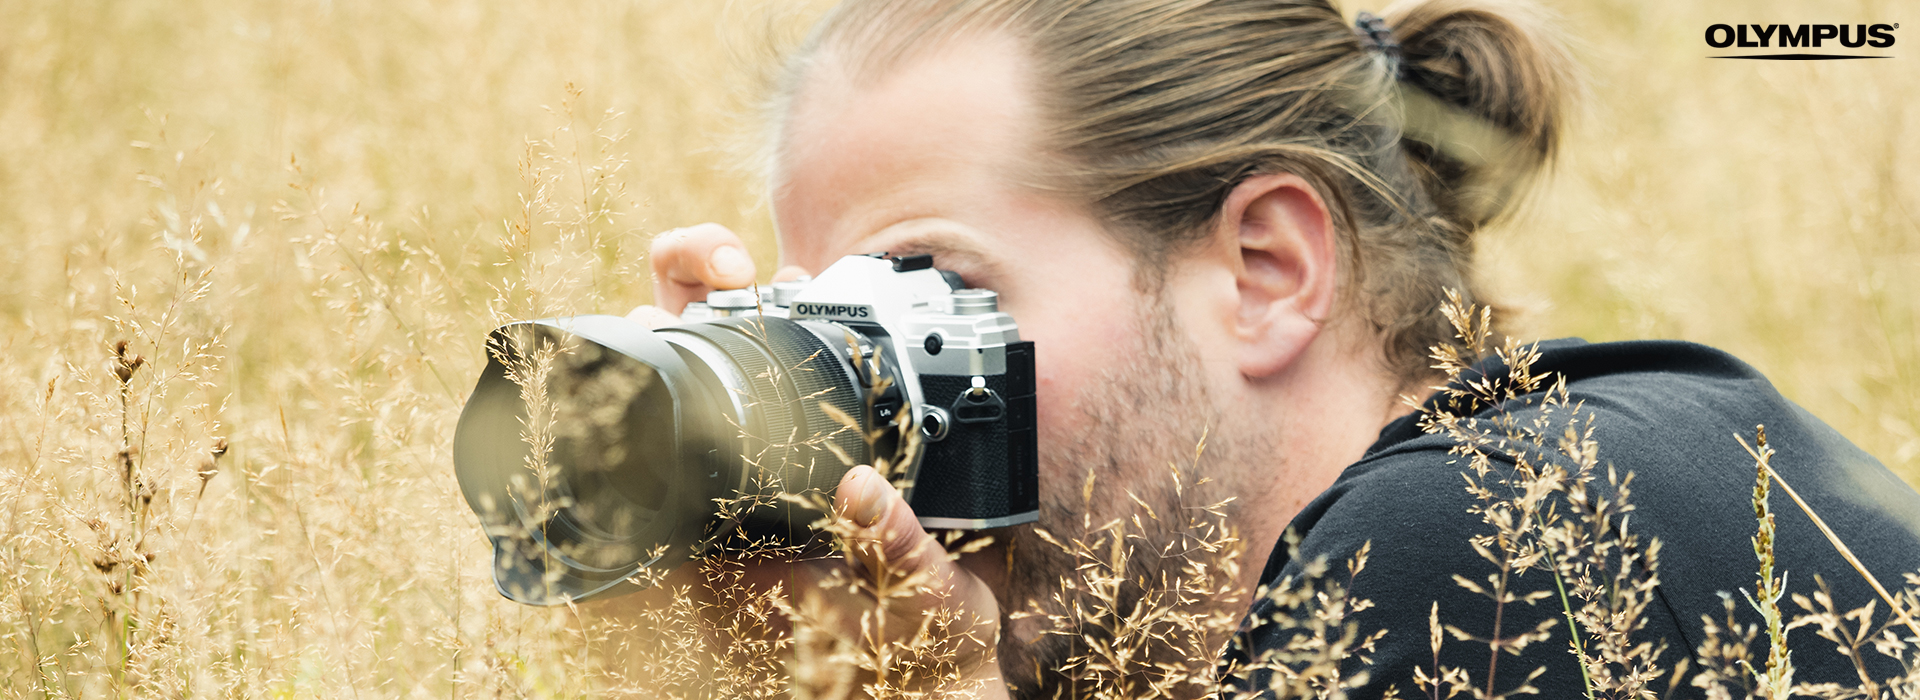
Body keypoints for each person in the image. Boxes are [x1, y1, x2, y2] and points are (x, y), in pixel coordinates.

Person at [624, 0, 1920, 697]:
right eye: (830, 326)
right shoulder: (1585, 447)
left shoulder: (1478, 544)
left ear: (1266, 274)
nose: (875, 405)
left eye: (924, 296)